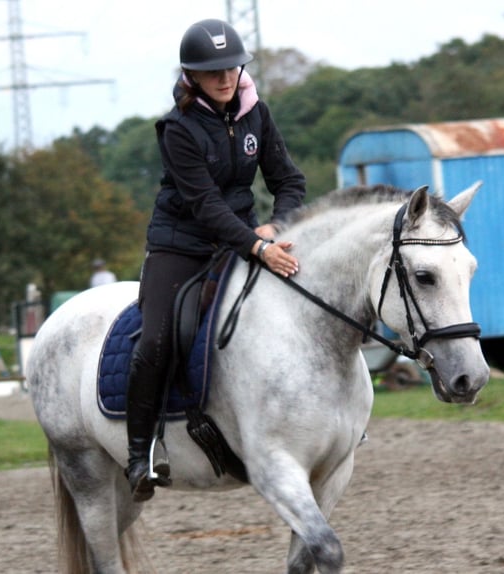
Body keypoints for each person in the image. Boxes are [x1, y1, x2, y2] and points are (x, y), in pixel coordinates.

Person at [125, 18, 307, 502]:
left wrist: (278, 227)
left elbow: (289, 181)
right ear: (191, 76)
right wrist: (256, 245)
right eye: (213, 73)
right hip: (180, 245)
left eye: (232, 68)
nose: (226, 79)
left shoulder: (256, 113)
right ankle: (139, 454)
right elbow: (205, 206)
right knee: (156, 340)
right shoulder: (177, 128)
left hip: (245, 239)